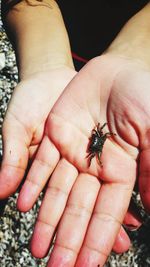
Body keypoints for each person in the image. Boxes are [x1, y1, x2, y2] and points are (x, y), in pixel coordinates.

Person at [1, 0, 150, 266]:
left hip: (130, 68)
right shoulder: (97, 137)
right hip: (62, 49)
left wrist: (136, 51)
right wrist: (44, 61)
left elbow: (100, 137)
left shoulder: (101, 136)